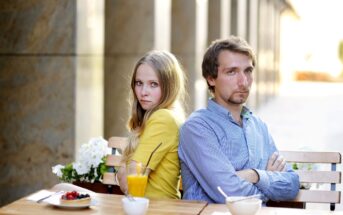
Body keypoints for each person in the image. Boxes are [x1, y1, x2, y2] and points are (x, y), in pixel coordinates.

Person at [178, 36, 299, 203]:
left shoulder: (258, 126)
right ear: (211, 78)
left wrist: (254, 175)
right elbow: (228, 193)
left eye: (248, 71)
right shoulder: (197, 127)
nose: (243, 82)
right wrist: (268, 181)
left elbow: (292, 184)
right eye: (232, 72)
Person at [116, 50, 186, 199]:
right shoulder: (164, 116)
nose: (143, 92)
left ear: (169, 87)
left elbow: (129, 184)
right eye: (139, 83)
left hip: (156, 209)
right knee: (62, 188)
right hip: (146, 206)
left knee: (60, 189)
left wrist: (122, 169)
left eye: (153, 84)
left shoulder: (163, 118)